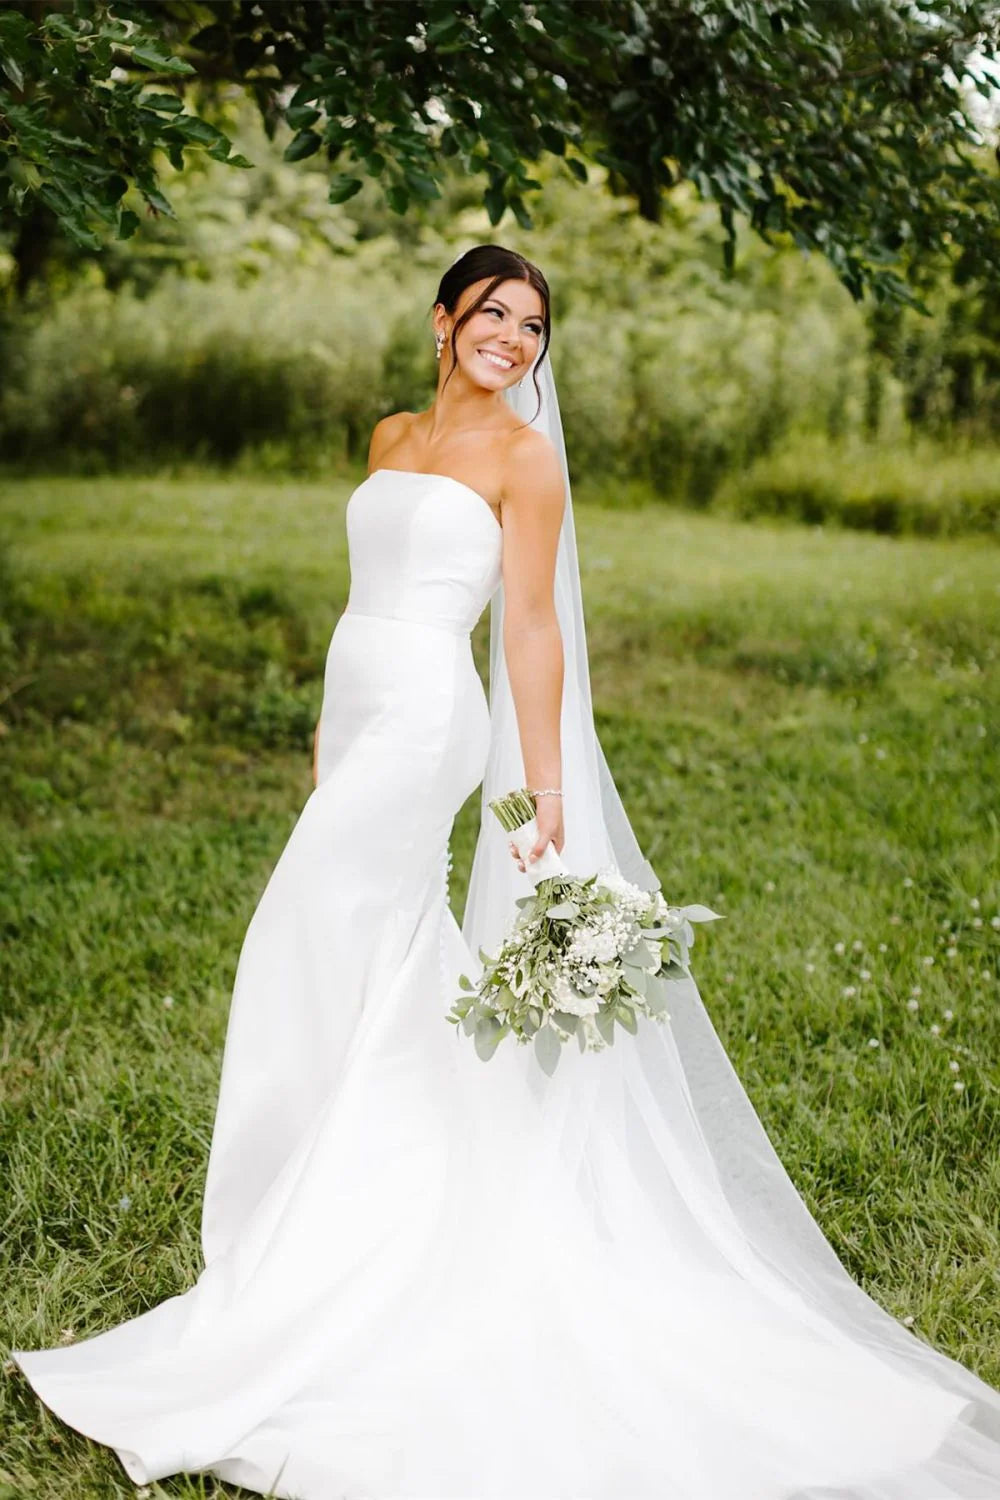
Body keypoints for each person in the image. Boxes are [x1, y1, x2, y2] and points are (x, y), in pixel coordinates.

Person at [11, 244, 1000, 1499]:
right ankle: (350, 1206)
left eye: (532, 325)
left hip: (431, 719)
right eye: (492, 315)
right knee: (355, 948)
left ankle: (346, 1229)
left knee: (310, 929)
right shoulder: (389, 437)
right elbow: (357, 598)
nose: (513, 340)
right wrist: (326, 730)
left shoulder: (525, 463)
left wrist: (538, 793)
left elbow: (527, 626)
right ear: (441, 321)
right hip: (363, 704)